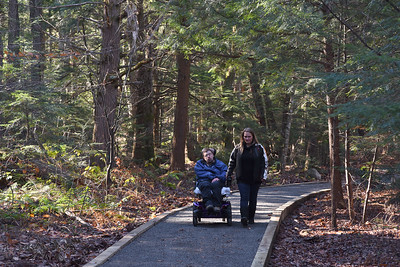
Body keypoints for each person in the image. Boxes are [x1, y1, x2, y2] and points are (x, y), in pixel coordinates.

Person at [226, 128, 268, 226]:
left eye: (249, 136)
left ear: (253, 137)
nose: (247, 138)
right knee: (244, 198)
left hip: (256, 178)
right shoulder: (237, 148)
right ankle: (244, 217)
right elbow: (232, 162)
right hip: (242, 178)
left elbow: (264, 163)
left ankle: (251, 218)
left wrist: (264, 176)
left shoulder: (259, 148)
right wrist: (229, 173)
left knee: (253, 199)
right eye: (245, 137)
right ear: (242, 137)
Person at [194, 148, 228, 213]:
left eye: (209, 154)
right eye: (206, 155)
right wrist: (212, 177)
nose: (208, 156)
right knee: (205, 185)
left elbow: (225, 172)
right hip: (204, 180)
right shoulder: (199, 164)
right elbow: (199, 173)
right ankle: (208, 204)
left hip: (217, 180)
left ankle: (217, 205)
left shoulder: (220, 163)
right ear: (203, 157)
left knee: (216, 184)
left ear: (213, 155)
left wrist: (218, 177)